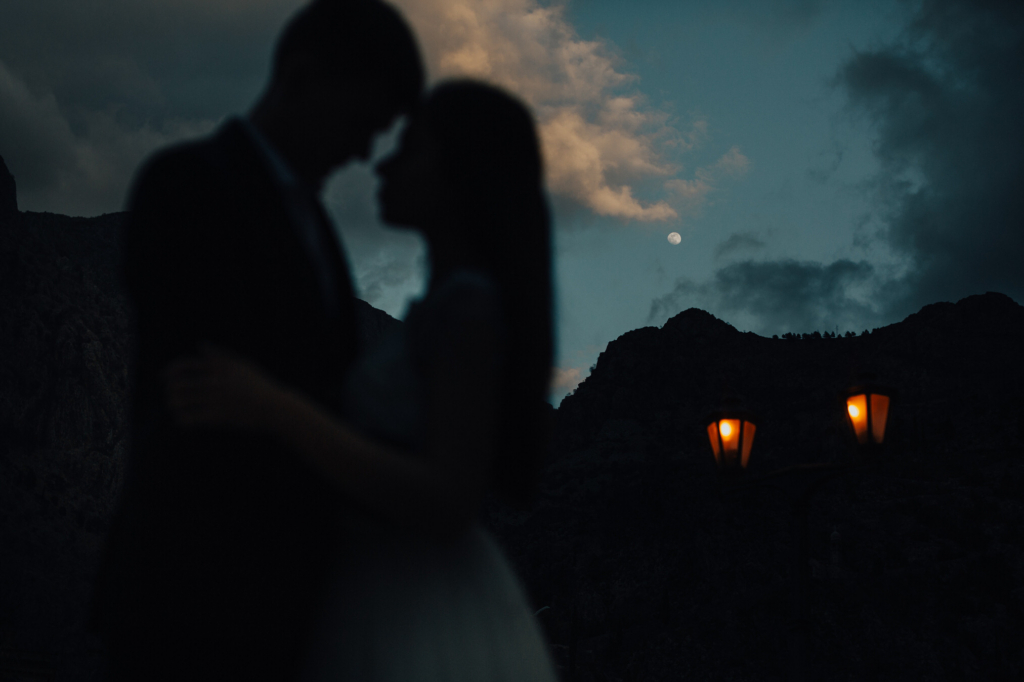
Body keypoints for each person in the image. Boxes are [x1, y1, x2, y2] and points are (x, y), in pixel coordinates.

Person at [164, 80, 558, 682]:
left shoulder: (467, 311)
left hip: (410, 605)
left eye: (411, 148)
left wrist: (277, 409)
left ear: (460, 177)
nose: (384, 164)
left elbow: (447, 501)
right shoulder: (446, 309)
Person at [90, 2, 424, 680]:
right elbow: (202, 383)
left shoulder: (319, 232)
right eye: (361, 121)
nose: (365, 152)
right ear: (302, 76)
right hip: (190, 601)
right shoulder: (186, 185)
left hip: (295, 612)